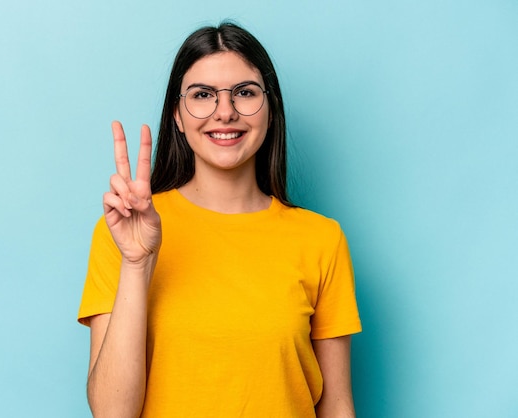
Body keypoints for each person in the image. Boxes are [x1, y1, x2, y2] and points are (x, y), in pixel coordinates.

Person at [78, 22, 362, 418]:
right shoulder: (123, 231)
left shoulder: (321, 239)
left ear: (270, 108)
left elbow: (336, 405)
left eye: (245, 93)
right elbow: (112, 413)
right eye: (202, 95)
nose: (224, 112)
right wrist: (137, 263)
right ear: (177, 115)